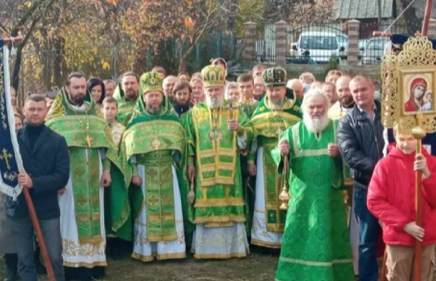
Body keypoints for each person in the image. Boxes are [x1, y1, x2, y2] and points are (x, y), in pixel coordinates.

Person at [273, 89, 354, 281]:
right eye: (311, 107)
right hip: (303, 198)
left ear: (327, 108)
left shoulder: (338, 128)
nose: (316, 111)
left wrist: (339, 155)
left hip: (329, 197)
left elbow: (350, 159)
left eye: (320, 107)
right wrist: (281, 152)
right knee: (301, 233)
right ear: (304, 109)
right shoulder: (292, 132)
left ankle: (336, 279)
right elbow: (277, 155)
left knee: (329, 234)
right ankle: (296, 279)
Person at [367, 122, 436, 281]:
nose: (405, 144)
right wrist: (403, 224)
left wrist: (427, 175)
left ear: (420, 136)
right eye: (401, 139)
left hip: (424, 237)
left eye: (410, 139)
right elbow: (374, 200)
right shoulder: (385, 165)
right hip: (399, 237)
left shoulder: (433, 164)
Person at [46, 73, 114, 281]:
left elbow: (106, 146)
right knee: (70, 219)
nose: (79, 91)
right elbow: (50, 151)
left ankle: (93, 263)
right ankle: (71, 264)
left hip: (94, 175)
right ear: (66, 88)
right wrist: (55, 179)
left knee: (96, 218)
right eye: (75, 87)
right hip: (68, 179)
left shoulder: (95, 116)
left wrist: (107, 169)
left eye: (82, 87)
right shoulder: (56, 118)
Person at [120, 71, 190, 262]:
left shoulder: (173, 120)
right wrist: (133, 172)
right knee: (145, 212)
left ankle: (171, 250)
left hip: (168, 170)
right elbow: (128, 151)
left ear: (162, 97)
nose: (154, 100)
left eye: (157, 95)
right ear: (143, 98)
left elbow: (182, 145)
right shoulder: (135, 122)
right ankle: (147, 249)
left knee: (172, 209)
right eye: (150, 95)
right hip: (145, 171)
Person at [12, 95, 70, 281]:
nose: (35, 113)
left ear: (46, 112)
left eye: (39, 109)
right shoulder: (13, 140)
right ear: (23, 111)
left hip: (46, 209)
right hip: (19, 209)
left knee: (54, 257)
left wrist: (34, 182)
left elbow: (61, 177)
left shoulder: (57, 141)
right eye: (31, 109)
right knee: (25, 260)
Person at [182, 64, 249, 259]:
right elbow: (189, 139)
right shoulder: (194, 113)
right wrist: (190, 162)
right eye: (210, 89)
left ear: (223, 89)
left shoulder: (235, 111)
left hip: (230, 170)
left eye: (217, 89)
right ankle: (205, 248)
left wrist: (240, 130)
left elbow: (248, 135)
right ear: (203, 90)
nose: (213, 93)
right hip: (204, 171)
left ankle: (232, 247)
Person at [338, 75, 385, 281]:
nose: (358, 95)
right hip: (365, 188)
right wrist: (383, 168)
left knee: (396, 238)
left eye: (362, 89)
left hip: (393, 189)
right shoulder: (347, 122)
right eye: (354, 91)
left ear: (372, 88)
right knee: (366, 241)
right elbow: (350, 156)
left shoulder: (389, 114)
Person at [246, 68, 301, 250]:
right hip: (265, 158)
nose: (274, 93)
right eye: (270, 89)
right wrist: (251, 160)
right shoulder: (259, 111)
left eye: (277, 89)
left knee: (290, 197)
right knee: (264, 197)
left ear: (285, 89)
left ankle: (288, 237)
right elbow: (254, 138)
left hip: (289, 160)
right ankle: (265, 239)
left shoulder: (296, 111)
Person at [328, 74, 359, 276]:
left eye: (347, 89)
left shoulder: (362, 111)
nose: (344, 93)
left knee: (355, 222)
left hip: (356, 175)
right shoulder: (330, 113)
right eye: (340, 90)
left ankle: (356, 261)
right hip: (337, 174)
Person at [0, 114, 23, 281]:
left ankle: (30, 263)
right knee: (7, 229)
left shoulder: (27, 141)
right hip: (4, 188)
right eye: (13, 124)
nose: (16, 127)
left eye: (19, 123)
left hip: (26, 188)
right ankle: (10, 266)